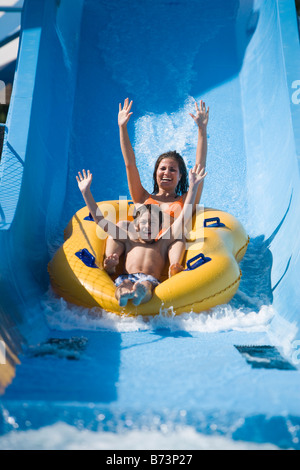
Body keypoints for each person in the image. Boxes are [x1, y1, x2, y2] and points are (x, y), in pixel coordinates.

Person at [76, 165, 206, 307]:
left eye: (154, 223)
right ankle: (123, 296)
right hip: (126, 277)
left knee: (145, 285)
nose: (148, 226)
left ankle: (140, 294)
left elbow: (184, 218)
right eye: (144, 222)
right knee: (123, 284)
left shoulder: (162, 243)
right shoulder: (129, 239)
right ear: (136, 226)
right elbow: (101, 222)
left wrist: (193, 187)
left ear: (161, 227)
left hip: (150, 279)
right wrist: (86, 192)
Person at [105, 97, 209, 271]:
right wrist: (122, 128)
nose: (166, 172)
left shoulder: (186, 200)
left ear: (180, 175)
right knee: (121, 225)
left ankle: (174, 267)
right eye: (162, 169)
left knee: (178, 233)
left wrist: (202, 130)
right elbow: (130, 164)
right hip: (136, 245)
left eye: (172, 169)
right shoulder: (142, 197)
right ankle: (111, 262)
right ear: (155, 174)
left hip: (163, 250)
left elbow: (200, 167)